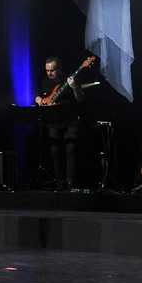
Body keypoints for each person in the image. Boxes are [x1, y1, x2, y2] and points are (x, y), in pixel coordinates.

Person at [34, 56, 86, 191]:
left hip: (70, 121)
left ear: (59, 69)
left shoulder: (70, 79)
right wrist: (38, 99)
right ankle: (60, 182)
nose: (49, 73)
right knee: (55, 152)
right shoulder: (45, 82)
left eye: (52, 70)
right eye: (47, 71)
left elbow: (81, 99)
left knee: (70, 151)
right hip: (53, 121)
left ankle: (71, 182)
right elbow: (41, 97)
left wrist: (74, 88)